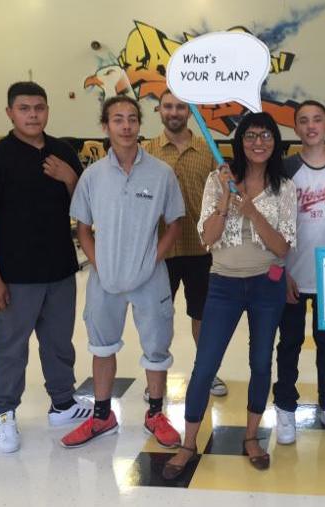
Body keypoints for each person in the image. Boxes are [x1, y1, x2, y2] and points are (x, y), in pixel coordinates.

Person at [162, 112, 296, 479]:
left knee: (261, 363)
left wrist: (251, 211)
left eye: (266, 136)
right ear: (240, 141)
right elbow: (208, 237)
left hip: (267, 285)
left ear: (275, 142)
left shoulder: (284, 187)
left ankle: (251, 437)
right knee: (205, 365)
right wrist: (225, 197)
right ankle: (188, 444)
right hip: (223, 284)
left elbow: (282, 248)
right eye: (251, 135)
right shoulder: (217, 179)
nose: (258, 142)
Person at [0, 81, 88, 453]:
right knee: (10, 347)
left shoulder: (63, 152)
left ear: (48, 110)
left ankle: (63, 404)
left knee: (59, 343)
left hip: (60, 270)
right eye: (24, 108)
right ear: (10, 113)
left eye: (39, 107)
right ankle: (4, 413)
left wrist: (71, 179)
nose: (33, 115)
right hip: (15, 276)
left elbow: (86, 208)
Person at [61, 96, 184, 449]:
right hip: (106, 277)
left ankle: (156, 414)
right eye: (118, 119)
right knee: (101, 346)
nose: (126, 126)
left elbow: (175, 223)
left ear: (140, 124)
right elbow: (82, 228)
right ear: (105, 126)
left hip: (149, 276)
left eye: (132, 118)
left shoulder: (161, 173)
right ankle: (102, 415)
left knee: (157, 345)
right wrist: (99, 263)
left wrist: (152, 260)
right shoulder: (93, 176)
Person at [273, 100, 325, 444]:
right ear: (296, 128)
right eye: (303, 121)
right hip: (293, 274)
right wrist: (281, 271)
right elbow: (273, 221)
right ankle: (285, 407)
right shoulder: (286, 168)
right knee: (289, 343)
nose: (311, 126)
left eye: (317, 119)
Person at [146, 90, 227, 398]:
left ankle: (207, 372)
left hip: (200, 249)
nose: (174, 112)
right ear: (159, 110)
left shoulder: (208, 152)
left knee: (203, 317)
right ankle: (155, 379)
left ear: (190, 112)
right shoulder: (146, 151)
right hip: (159, 251)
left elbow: (222, 199)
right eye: (168, 106)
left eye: (180, 107)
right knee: (157, 318)